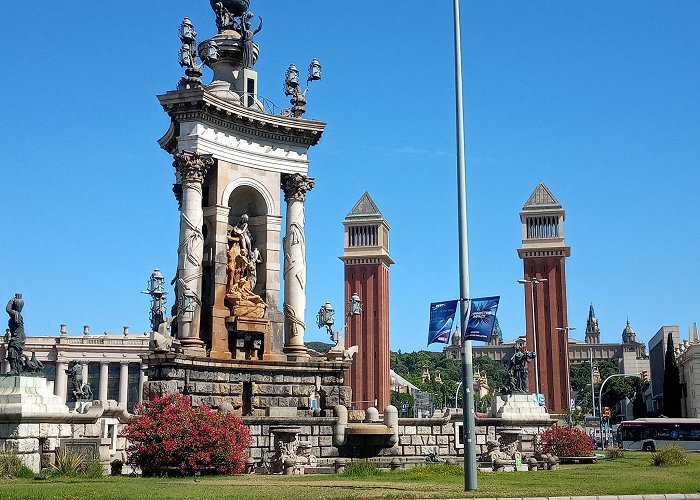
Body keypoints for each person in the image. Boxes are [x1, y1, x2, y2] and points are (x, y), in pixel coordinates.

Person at [6, 294, 26, 375]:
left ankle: (14, 369)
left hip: (18, 337)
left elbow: (7, 309)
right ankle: (16, 369)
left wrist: (11, 301)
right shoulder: (16, 316)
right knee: (14, 353)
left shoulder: (16, 315)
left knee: (12, 351)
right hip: (17, 336)